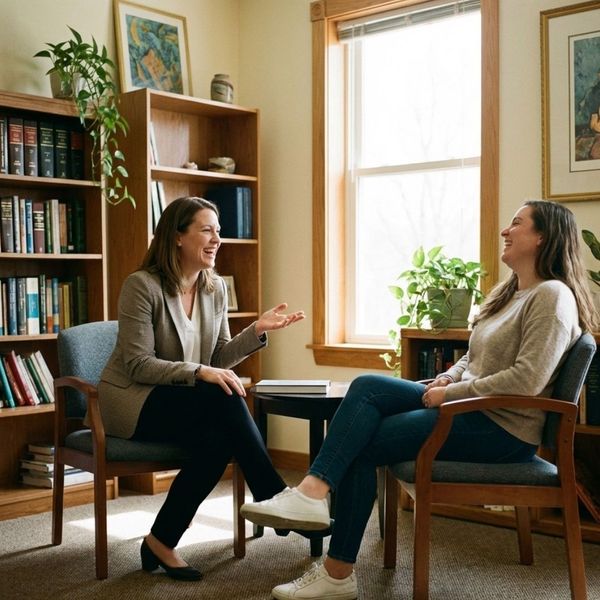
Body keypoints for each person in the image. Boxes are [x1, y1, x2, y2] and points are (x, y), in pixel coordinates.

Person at [240, 200, 599, 600]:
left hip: (500, 431)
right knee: (368, 386)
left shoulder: (552, 297)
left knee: (362, 446)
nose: (505, 231)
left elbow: (527, 380)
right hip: (469, 409)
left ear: (542, 237)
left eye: (516, 224)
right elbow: (472, 357)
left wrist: (450, 394)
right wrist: (447, 376)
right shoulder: (513, 292)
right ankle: (312, 496)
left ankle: (336, 572)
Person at [98, 196, 305, 581]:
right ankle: (273, 495)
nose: (217, 239)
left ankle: (161, 539)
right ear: (177, 236)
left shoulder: (215, 289)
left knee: (219, 434)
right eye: (206, 230)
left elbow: (220, 357)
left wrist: (256, 331)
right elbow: (138, 364)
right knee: (220, 392)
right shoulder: (141, 286)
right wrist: (200, 372)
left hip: (187, 401)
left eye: (219, 231)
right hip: (134, 400)